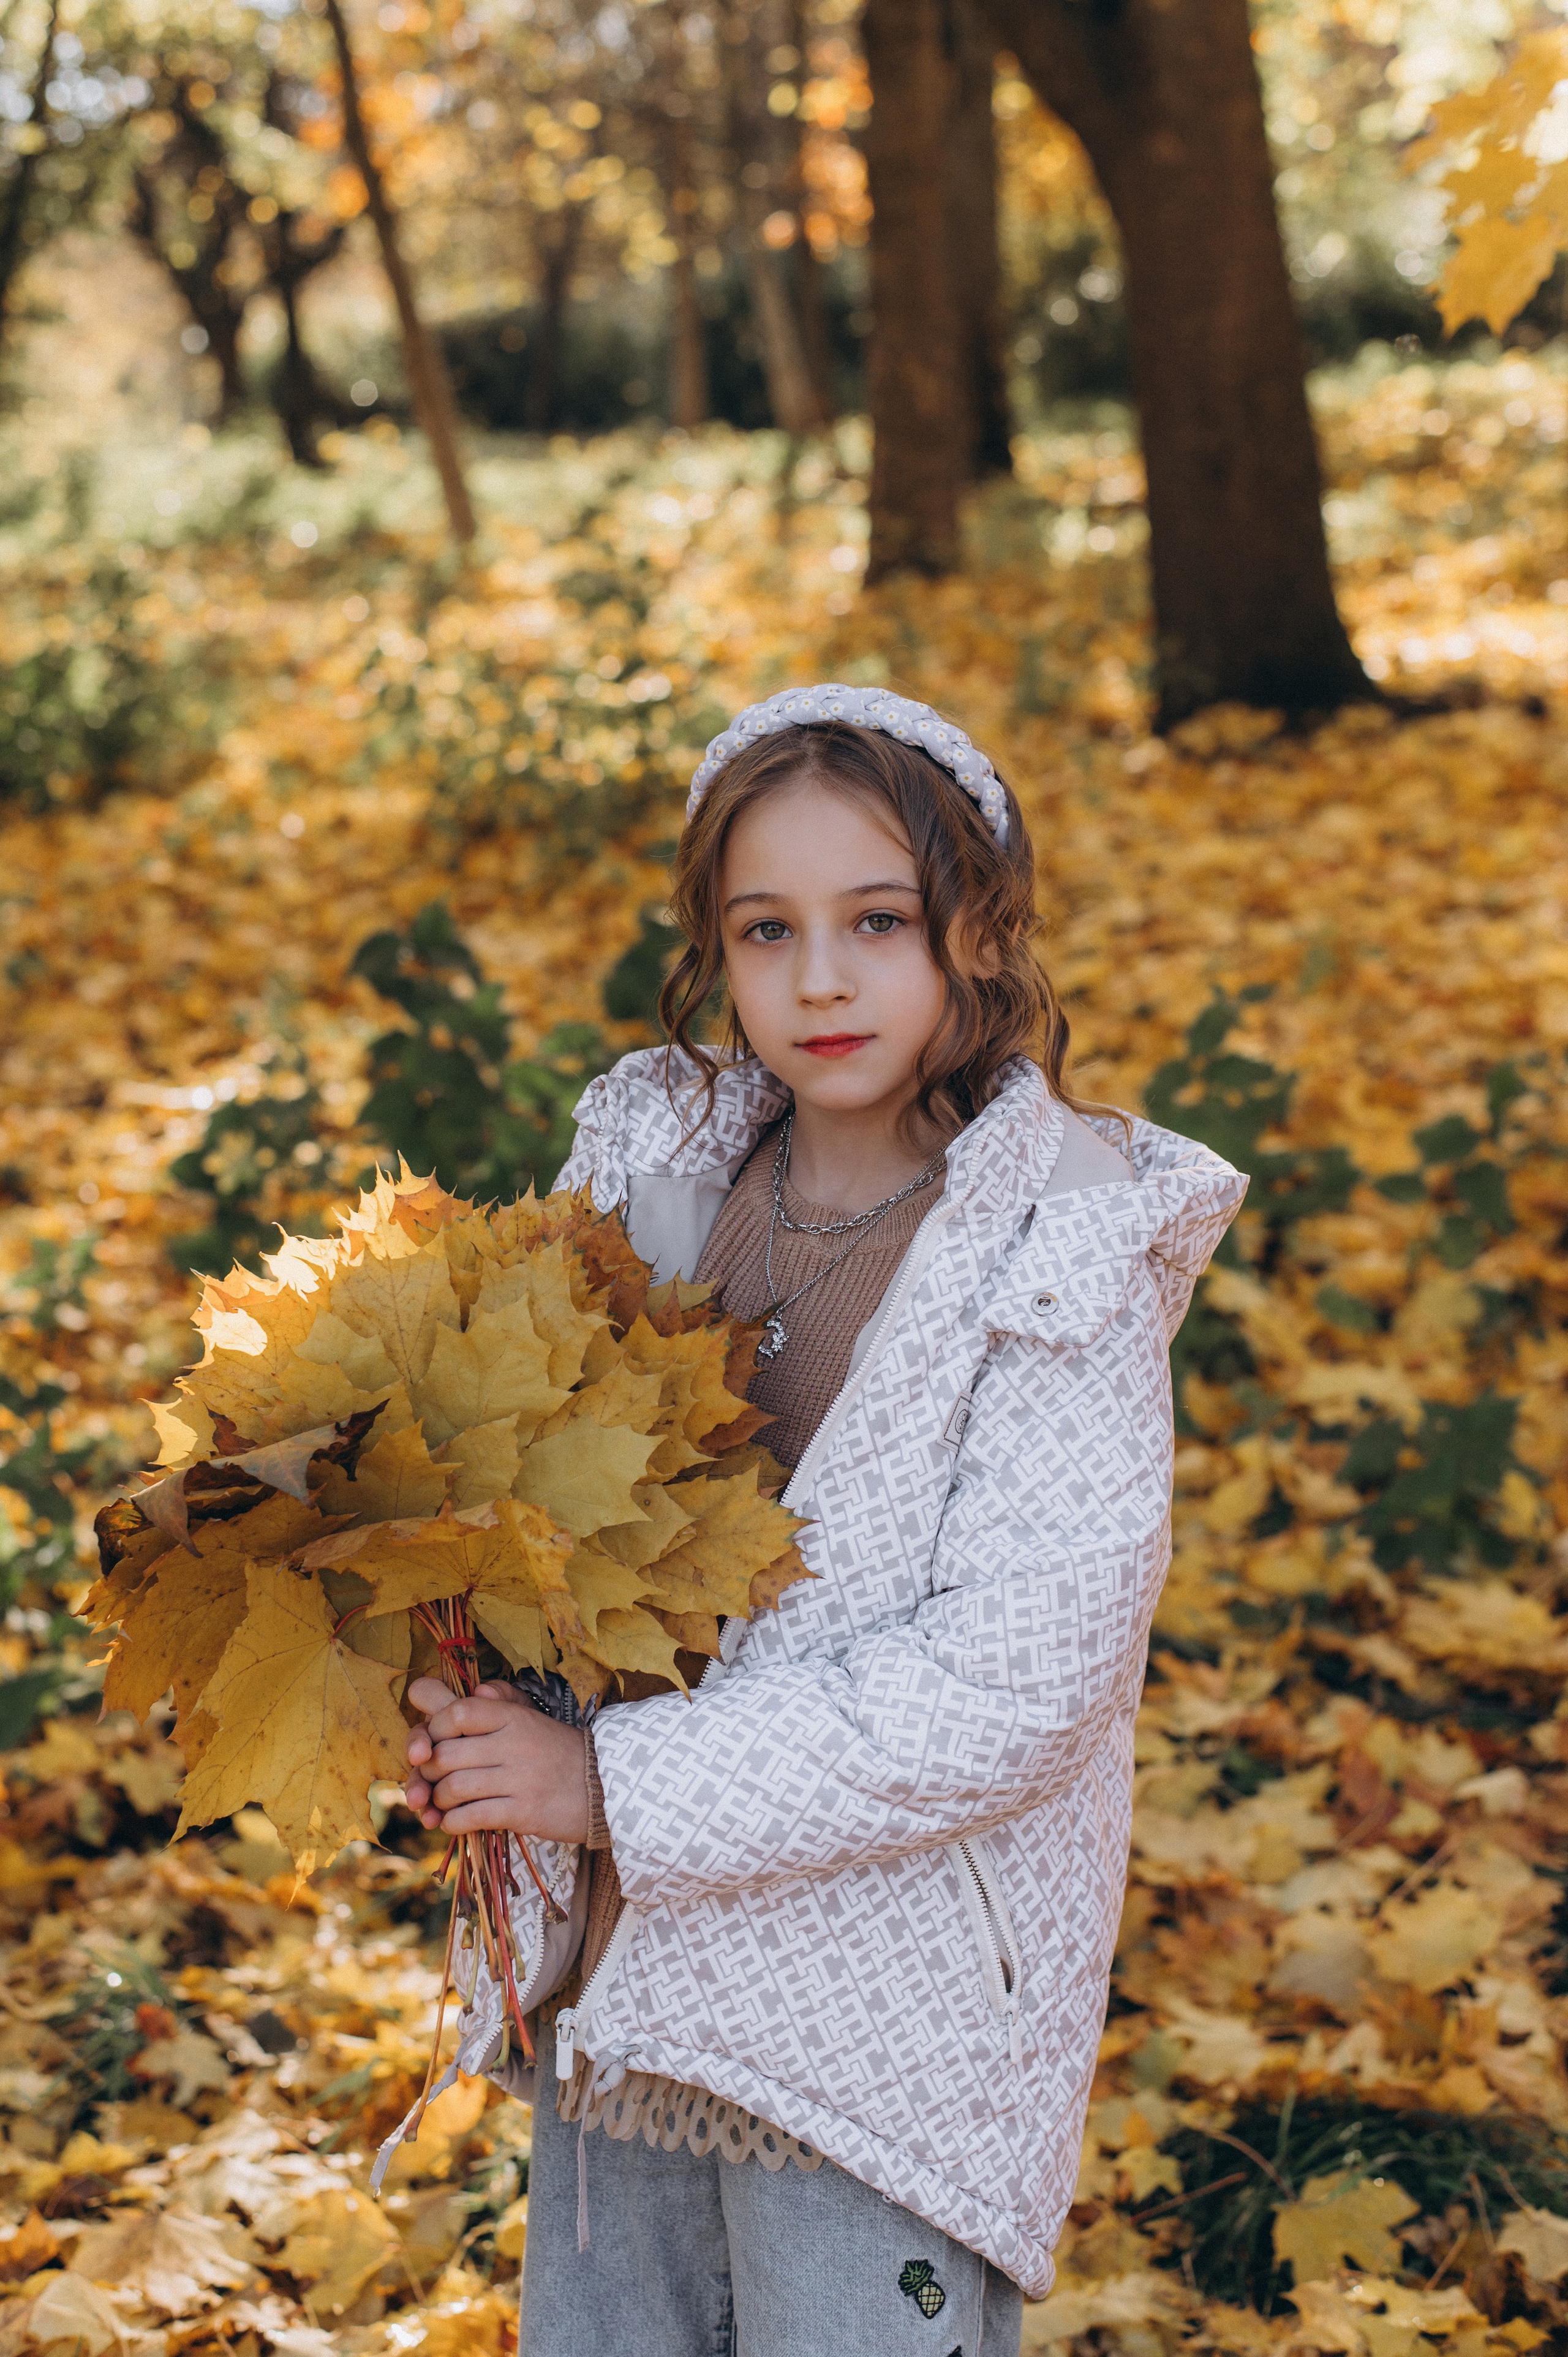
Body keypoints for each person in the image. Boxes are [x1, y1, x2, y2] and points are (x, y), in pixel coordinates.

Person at [399, 685, 1246, 2357]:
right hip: (624, 1995)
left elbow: (1015, 1682)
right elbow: (534, 1514)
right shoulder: (654, 1184)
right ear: (714, 949)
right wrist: (469, 1691)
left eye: (880, 921)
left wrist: (609, 1783)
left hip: (884, 2024)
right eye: (765, 929)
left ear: (982, 934)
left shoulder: (1054, 1250)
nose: (822, 980)